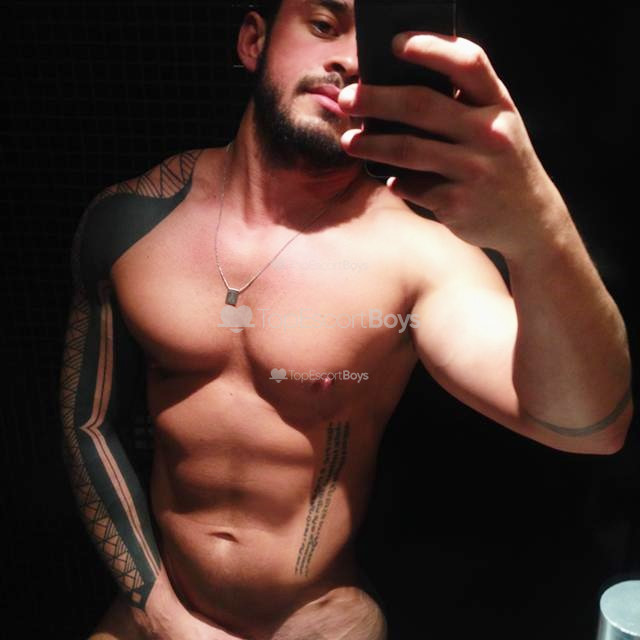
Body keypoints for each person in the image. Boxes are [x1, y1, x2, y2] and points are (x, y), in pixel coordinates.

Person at [59, 1, 633, 638]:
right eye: (324, 25)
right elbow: (88, 424)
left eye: (377, 44)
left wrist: (538, 226)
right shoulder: (132, 222)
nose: (350, 61)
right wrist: (159, 612)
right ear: (253, 41)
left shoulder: (416, 255)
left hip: (315, 621)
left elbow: (589, 427)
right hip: (158, 606)